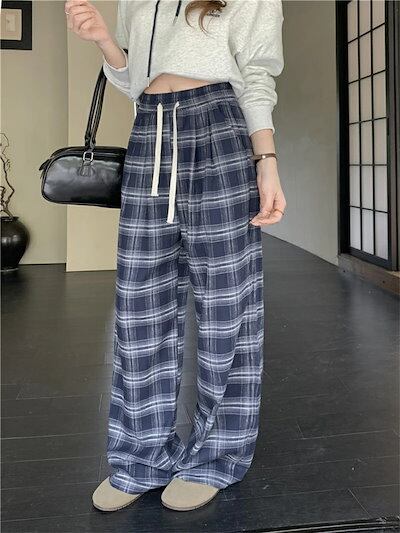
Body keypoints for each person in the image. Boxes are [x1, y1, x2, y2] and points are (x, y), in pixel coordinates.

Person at [65, 0, 286, 513]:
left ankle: (216, 456)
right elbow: (133, 82)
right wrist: (104, 40)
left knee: (227, 305)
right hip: (151, 130)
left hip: (220, 129)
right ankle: (140, 458)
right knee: (139, 306)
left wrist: (267, 161)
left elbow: (256, 74)